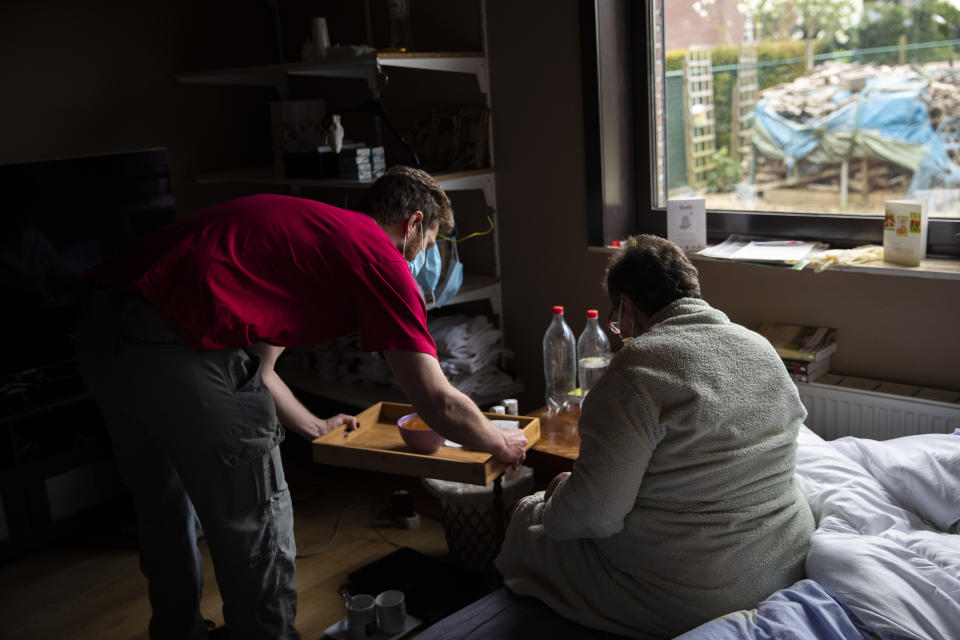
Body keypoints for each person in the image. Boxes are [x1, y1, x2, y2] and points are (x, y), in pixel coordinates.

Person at [75, 166, 527, 640]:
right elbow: (437, 401)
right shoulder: (379, 256)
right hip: (176, 340)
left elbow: (262, 368)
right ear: (413, 223)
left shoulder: (319, 238)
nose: (426, 258)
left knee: (164, 508)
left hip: (101, 326)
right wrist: (500, 441)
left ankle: (177, 631)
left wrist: (313, 425)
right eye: (430, 244)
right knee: (257, 526)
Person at [495, 235, 814, 639]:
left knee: (527, 523)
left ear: (626, 307)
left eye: (617, 322)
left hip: (702, 591)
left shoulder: (636, 371)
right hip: (783, 559)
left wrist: (552, 501)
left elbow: (595, 515)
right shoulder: (759, 348)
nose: (620, 332)